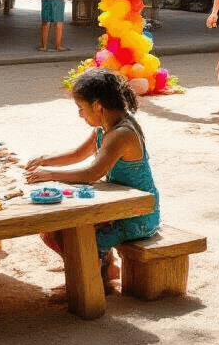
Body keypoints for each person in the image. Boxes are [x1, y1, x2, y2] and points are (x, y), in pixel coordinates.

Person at [24, 67, 160, 293]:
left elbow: (92, 173)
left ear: (98, 106)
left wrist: (50, 175)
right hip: (120, 209)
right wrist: (45, 160)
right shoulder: (105, 126)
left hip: (138, 215)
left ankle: (89, 287)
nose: (80, 114)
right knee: (53, 232)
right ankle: (104, 272)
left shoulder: (122, 133)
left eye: (81, 109)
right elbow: (78, 154)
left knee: (82, 241)